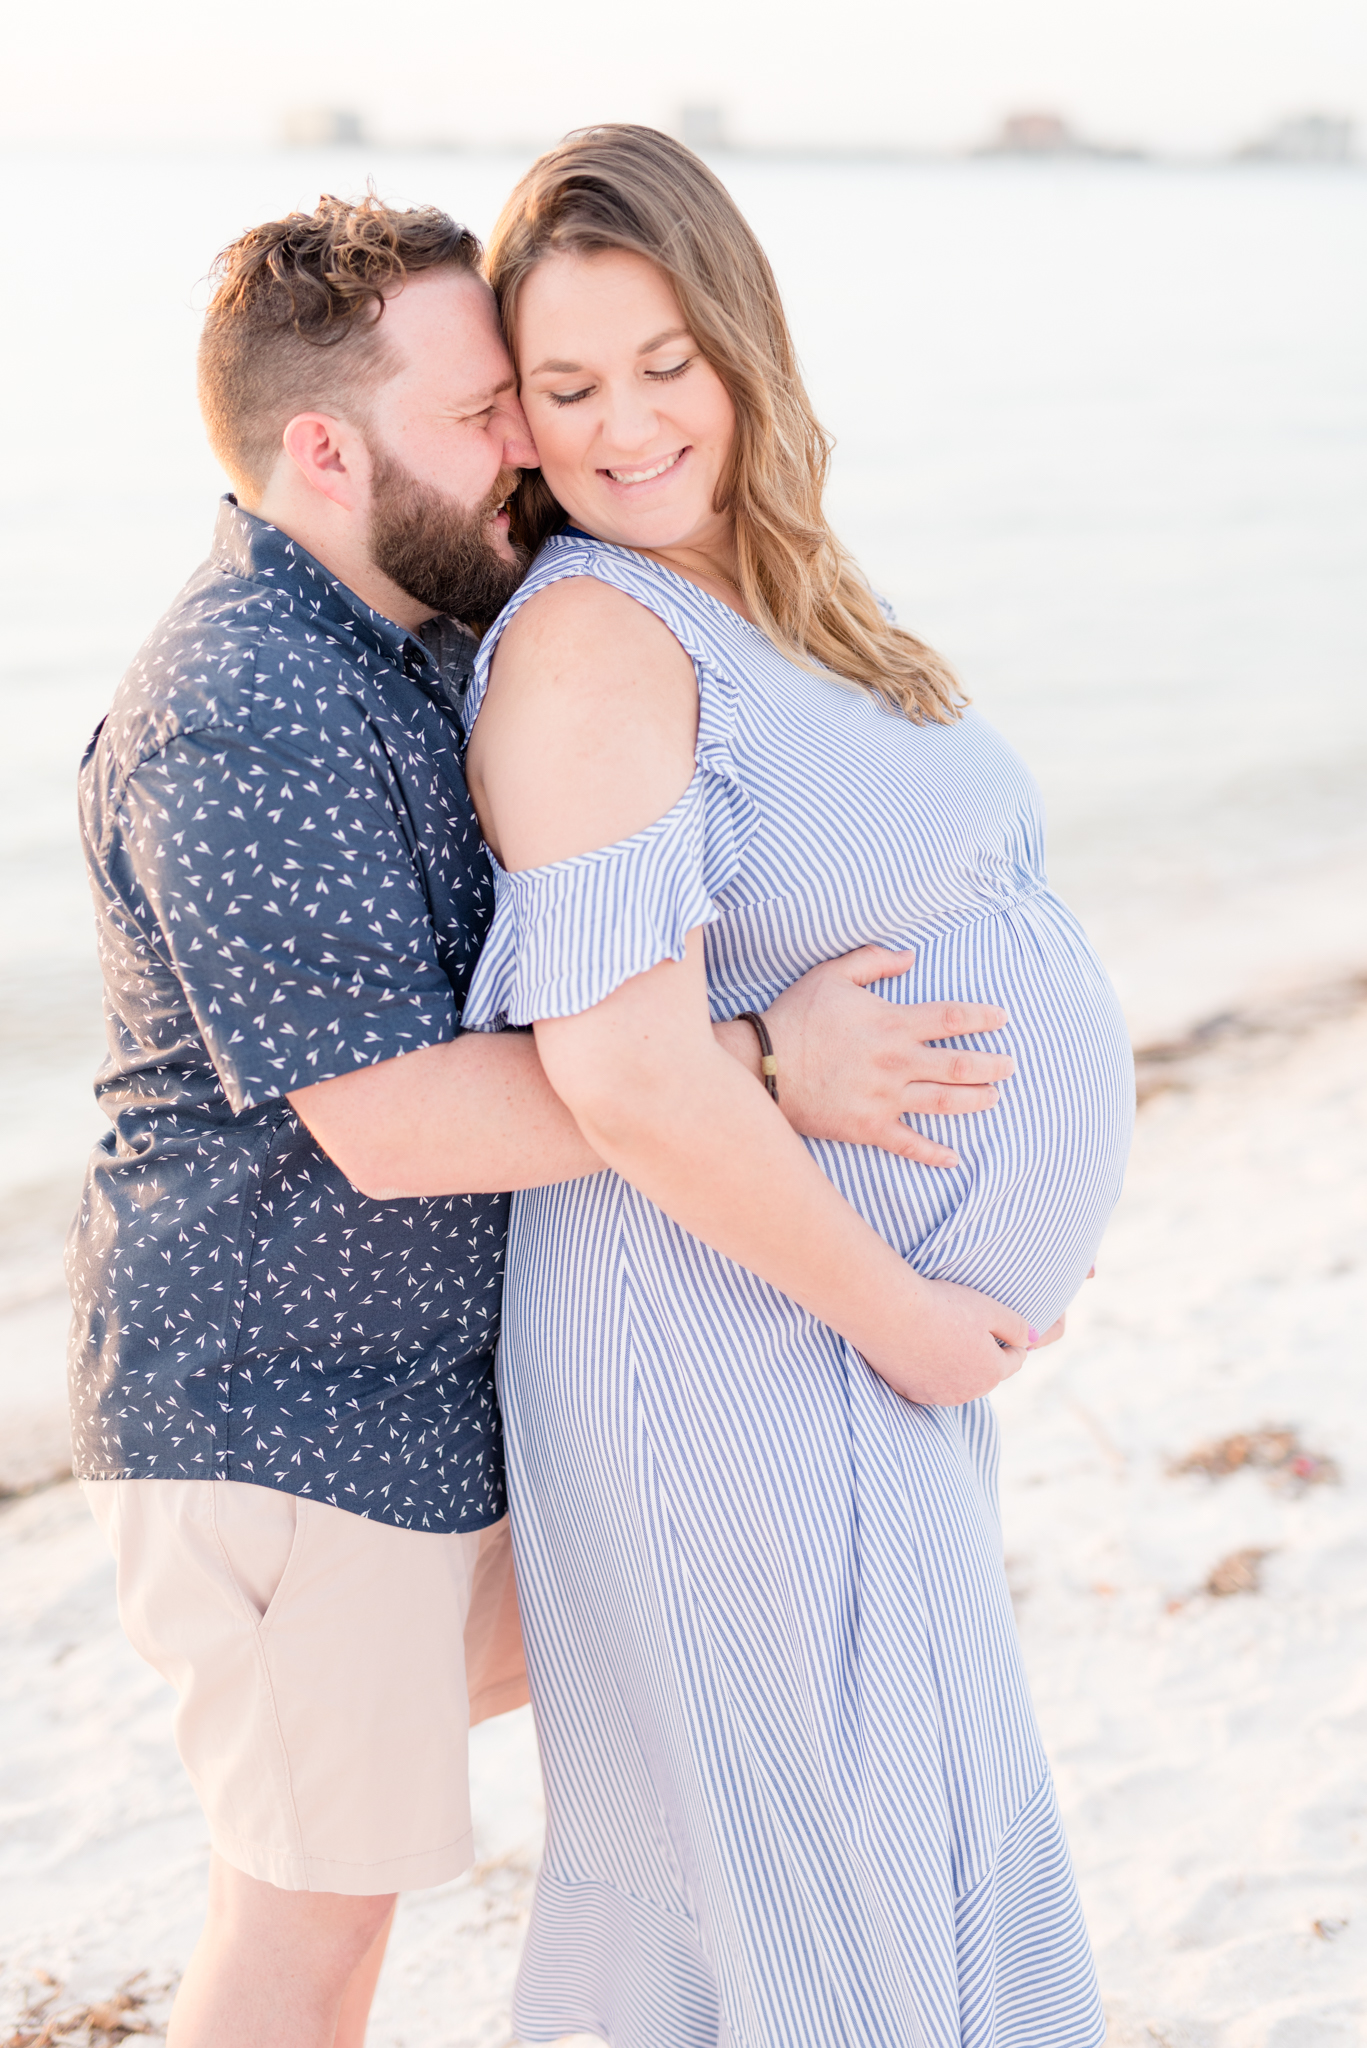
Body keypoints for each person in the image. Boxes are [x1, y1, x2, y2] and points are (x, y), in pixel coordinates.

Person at [67, 192, 1024, 2048]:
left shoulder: (410, 628)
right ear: (323, 448)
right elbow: (401, 1123)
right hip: (288, 1429)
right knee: (312, 1927)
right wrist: (756, 1061)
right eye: (488, 411)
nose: (534, 448)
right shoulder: (240, 706)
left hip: (418, 1420)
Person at [461, 125, 1135, 2048]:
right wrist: (917, 1314)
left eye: (666, 364)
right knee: (801, 1903)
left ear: (745, 344)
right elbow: (625, 1075)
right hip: (724, 1353)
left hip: (827, 1346)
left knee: (870, 1869)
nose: (626, 427)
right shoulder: (595, 640)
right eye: (570, 389)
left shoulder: (773, 589)